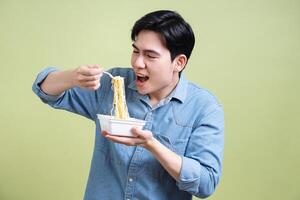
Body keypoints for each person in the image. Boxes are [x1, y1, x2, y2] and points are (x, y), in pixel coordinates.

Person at [32, 10, 224, 200]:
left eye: (150, 55)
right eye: (135, 51)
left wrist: (152, 145)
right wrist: (73, 77)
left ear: (179, 62)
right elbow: (46, 91)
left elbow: (206, 184)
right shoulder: (113, 84)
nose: (138, 63)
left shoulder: (204, 108)